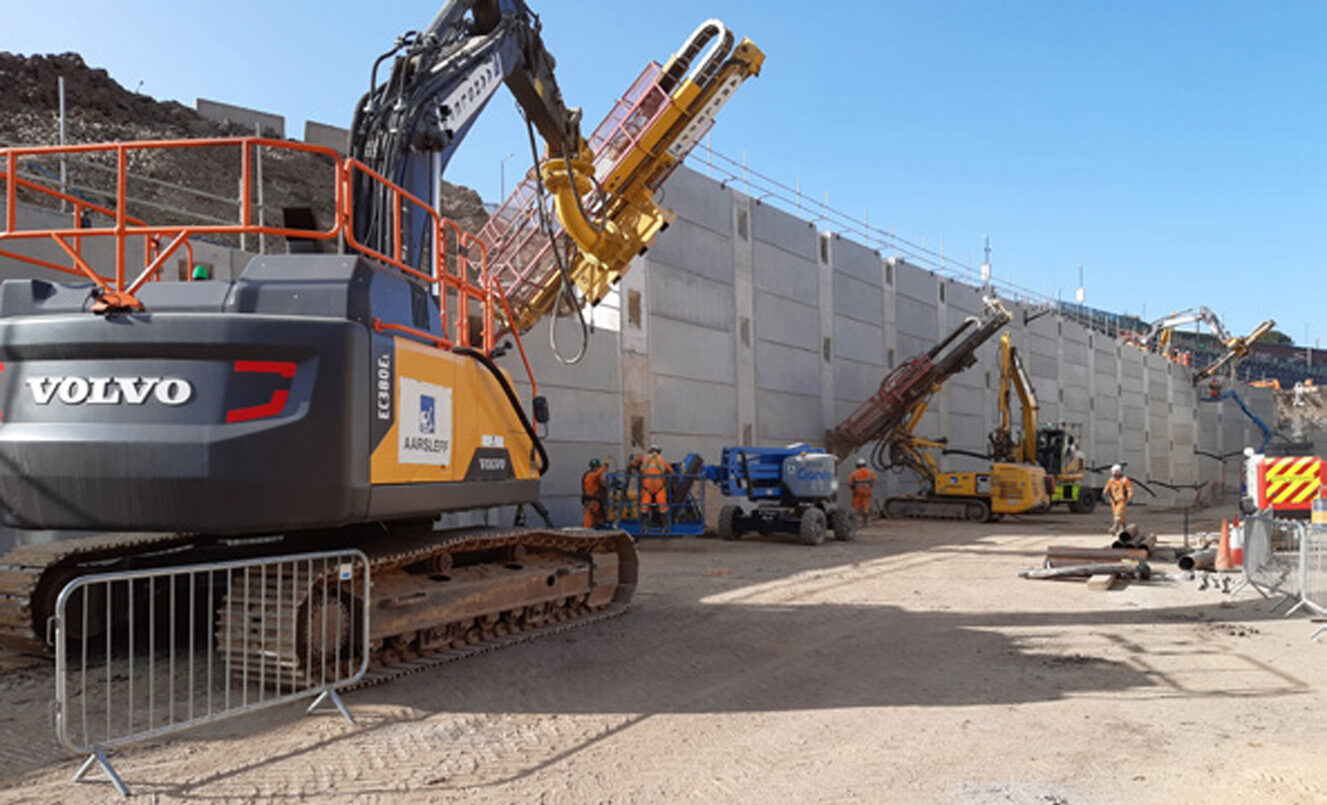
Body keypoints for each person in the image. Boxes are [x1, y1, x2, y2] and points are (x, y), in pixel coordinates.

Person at [639, 445, 669, 529]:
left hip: (647, 487)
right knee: (663, 506)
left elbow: (634, 464)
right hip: (659, 487)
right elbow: (671, 471)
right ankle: (665, 526)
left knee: (644, 506)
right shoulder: (663, 460)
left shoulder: (644, 458)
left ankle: (644, 526)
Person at [1102, 463, 1134, 534]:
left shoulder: (1125, 480)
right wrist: (1104, 493)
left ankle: (1114, 528)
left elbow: (1129, 489)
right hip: (1113, 500)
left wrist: (1130, 497)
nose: (1113, 474)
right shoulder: (1111, 480)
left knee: (1118, 514)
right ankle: (1124, 527)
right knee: (1117, 516)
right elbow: (1107, 488)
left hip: (1121, 500)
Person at [848, 458, 877, 528]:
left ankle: (854, 523)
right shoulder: (870, 472)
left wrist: (853, 489)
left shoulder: (854, 473)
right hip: (867, 490)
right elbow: (874, 480)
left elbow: (849, 483)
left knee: (855, 506)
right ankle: (865, 523)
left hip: (858, 490)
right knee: (866, 506)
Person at [581, 458, 608, 528]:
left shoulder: (597, 477)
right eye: (598, 467)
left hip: (598, 502)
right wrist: (605, 466)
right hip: (591, 501)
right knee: (589, 520)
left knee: (600, 519)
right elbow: (598, 474)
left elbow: (604, 483)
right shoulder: (590, 476)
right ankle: (587, 532)